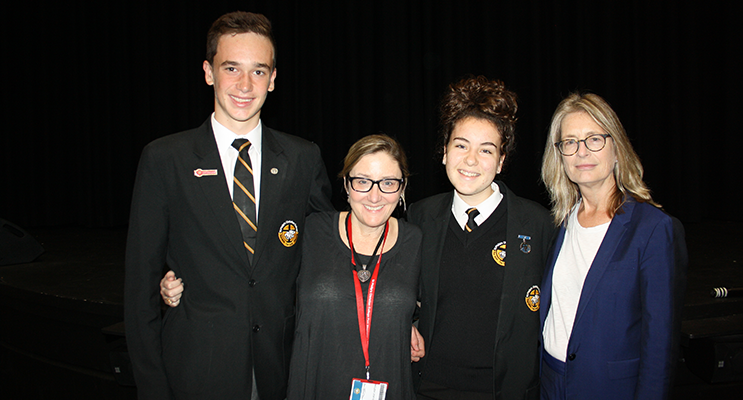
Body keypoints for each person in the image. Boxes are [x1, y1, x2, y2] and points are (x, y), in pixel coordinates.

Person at [124, 11, 333, 400]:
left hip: (282, 370)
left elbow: (326, 256)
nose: (245, 85)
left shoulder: (303, 158)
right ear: (208, 72)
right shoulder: (165, 159)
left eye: (258, 71)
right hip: (195, 371)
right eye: (231, 68)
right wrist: (152, 388)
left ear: (273, 79)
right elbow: (139, 289)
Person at [162, 134, 423, 399]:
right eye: (363, 181)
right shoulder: (312, 231)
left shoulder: (417, 240)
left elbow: (438, 300)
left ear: (402, 187)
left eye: (388, 183)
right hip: (316, 384)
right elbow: (250, 272)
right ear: (346, 184)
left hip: (389, 385)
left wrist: (408, 321)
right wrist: (183, 281)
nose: (375, 196)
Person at [409, 76, 555, 400]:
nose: (471, 159)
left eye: (486, 150)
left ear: (501, 161)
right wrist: (405, 324)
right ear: (444, 152)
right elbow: (401, 291)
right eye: (461, 145)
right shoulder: (419, 217)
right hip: (428, 387)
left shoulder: (539, 224)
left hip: (504, 391)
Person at [538, 93, 687, 399]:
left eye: (594, 139)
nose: (581, 151)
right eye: (570, 142)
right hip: (551, 382)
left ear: (617, 148)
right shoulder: (561, 223)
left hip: (609, 389)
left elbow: (660, 343)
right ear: (560, 155)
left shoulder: (654, 229)